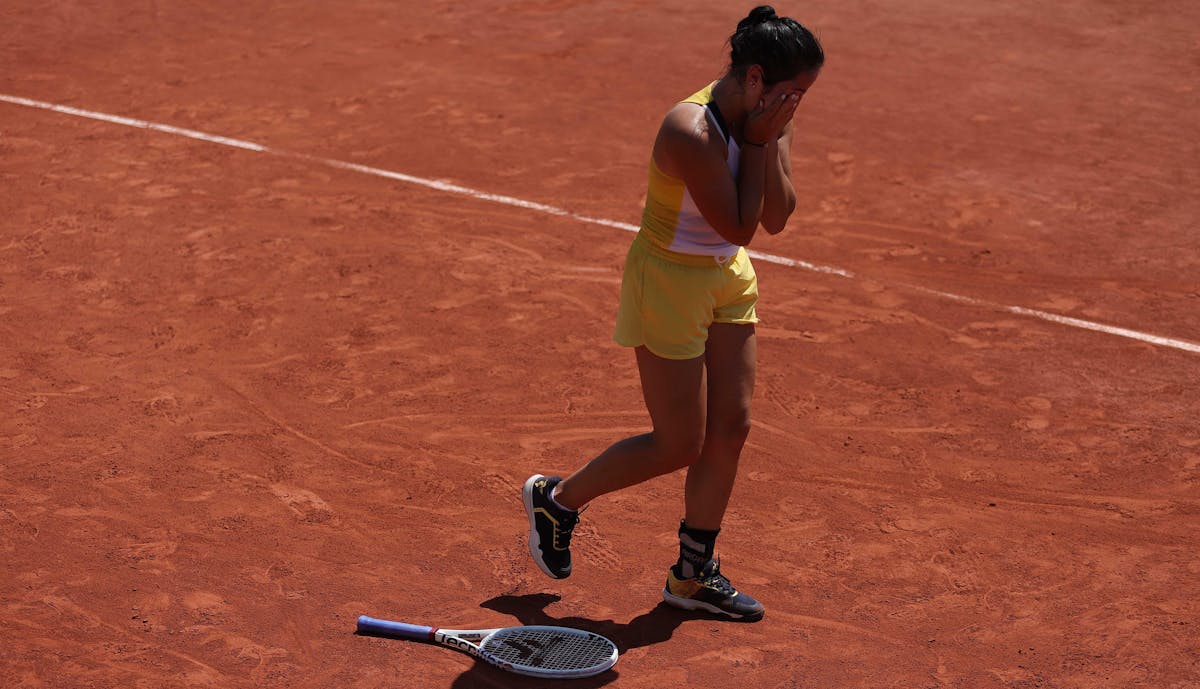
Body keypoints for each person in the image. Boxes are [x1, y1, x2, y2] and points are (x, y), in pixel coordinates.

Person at [523, 5, 824, 622]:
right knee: (679, 442)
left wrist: (771, 137)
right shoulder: (690, 130)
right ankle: (558, 500)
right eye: (792, 92)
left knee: (731, 429)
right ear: (757, 78)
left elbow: (776, 217)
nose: (797, 104)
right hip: (668, 283)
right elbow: (739, 225)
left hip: (728, 279)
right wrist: (759, 141)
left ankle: (691, 576)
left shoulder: (772, 119)